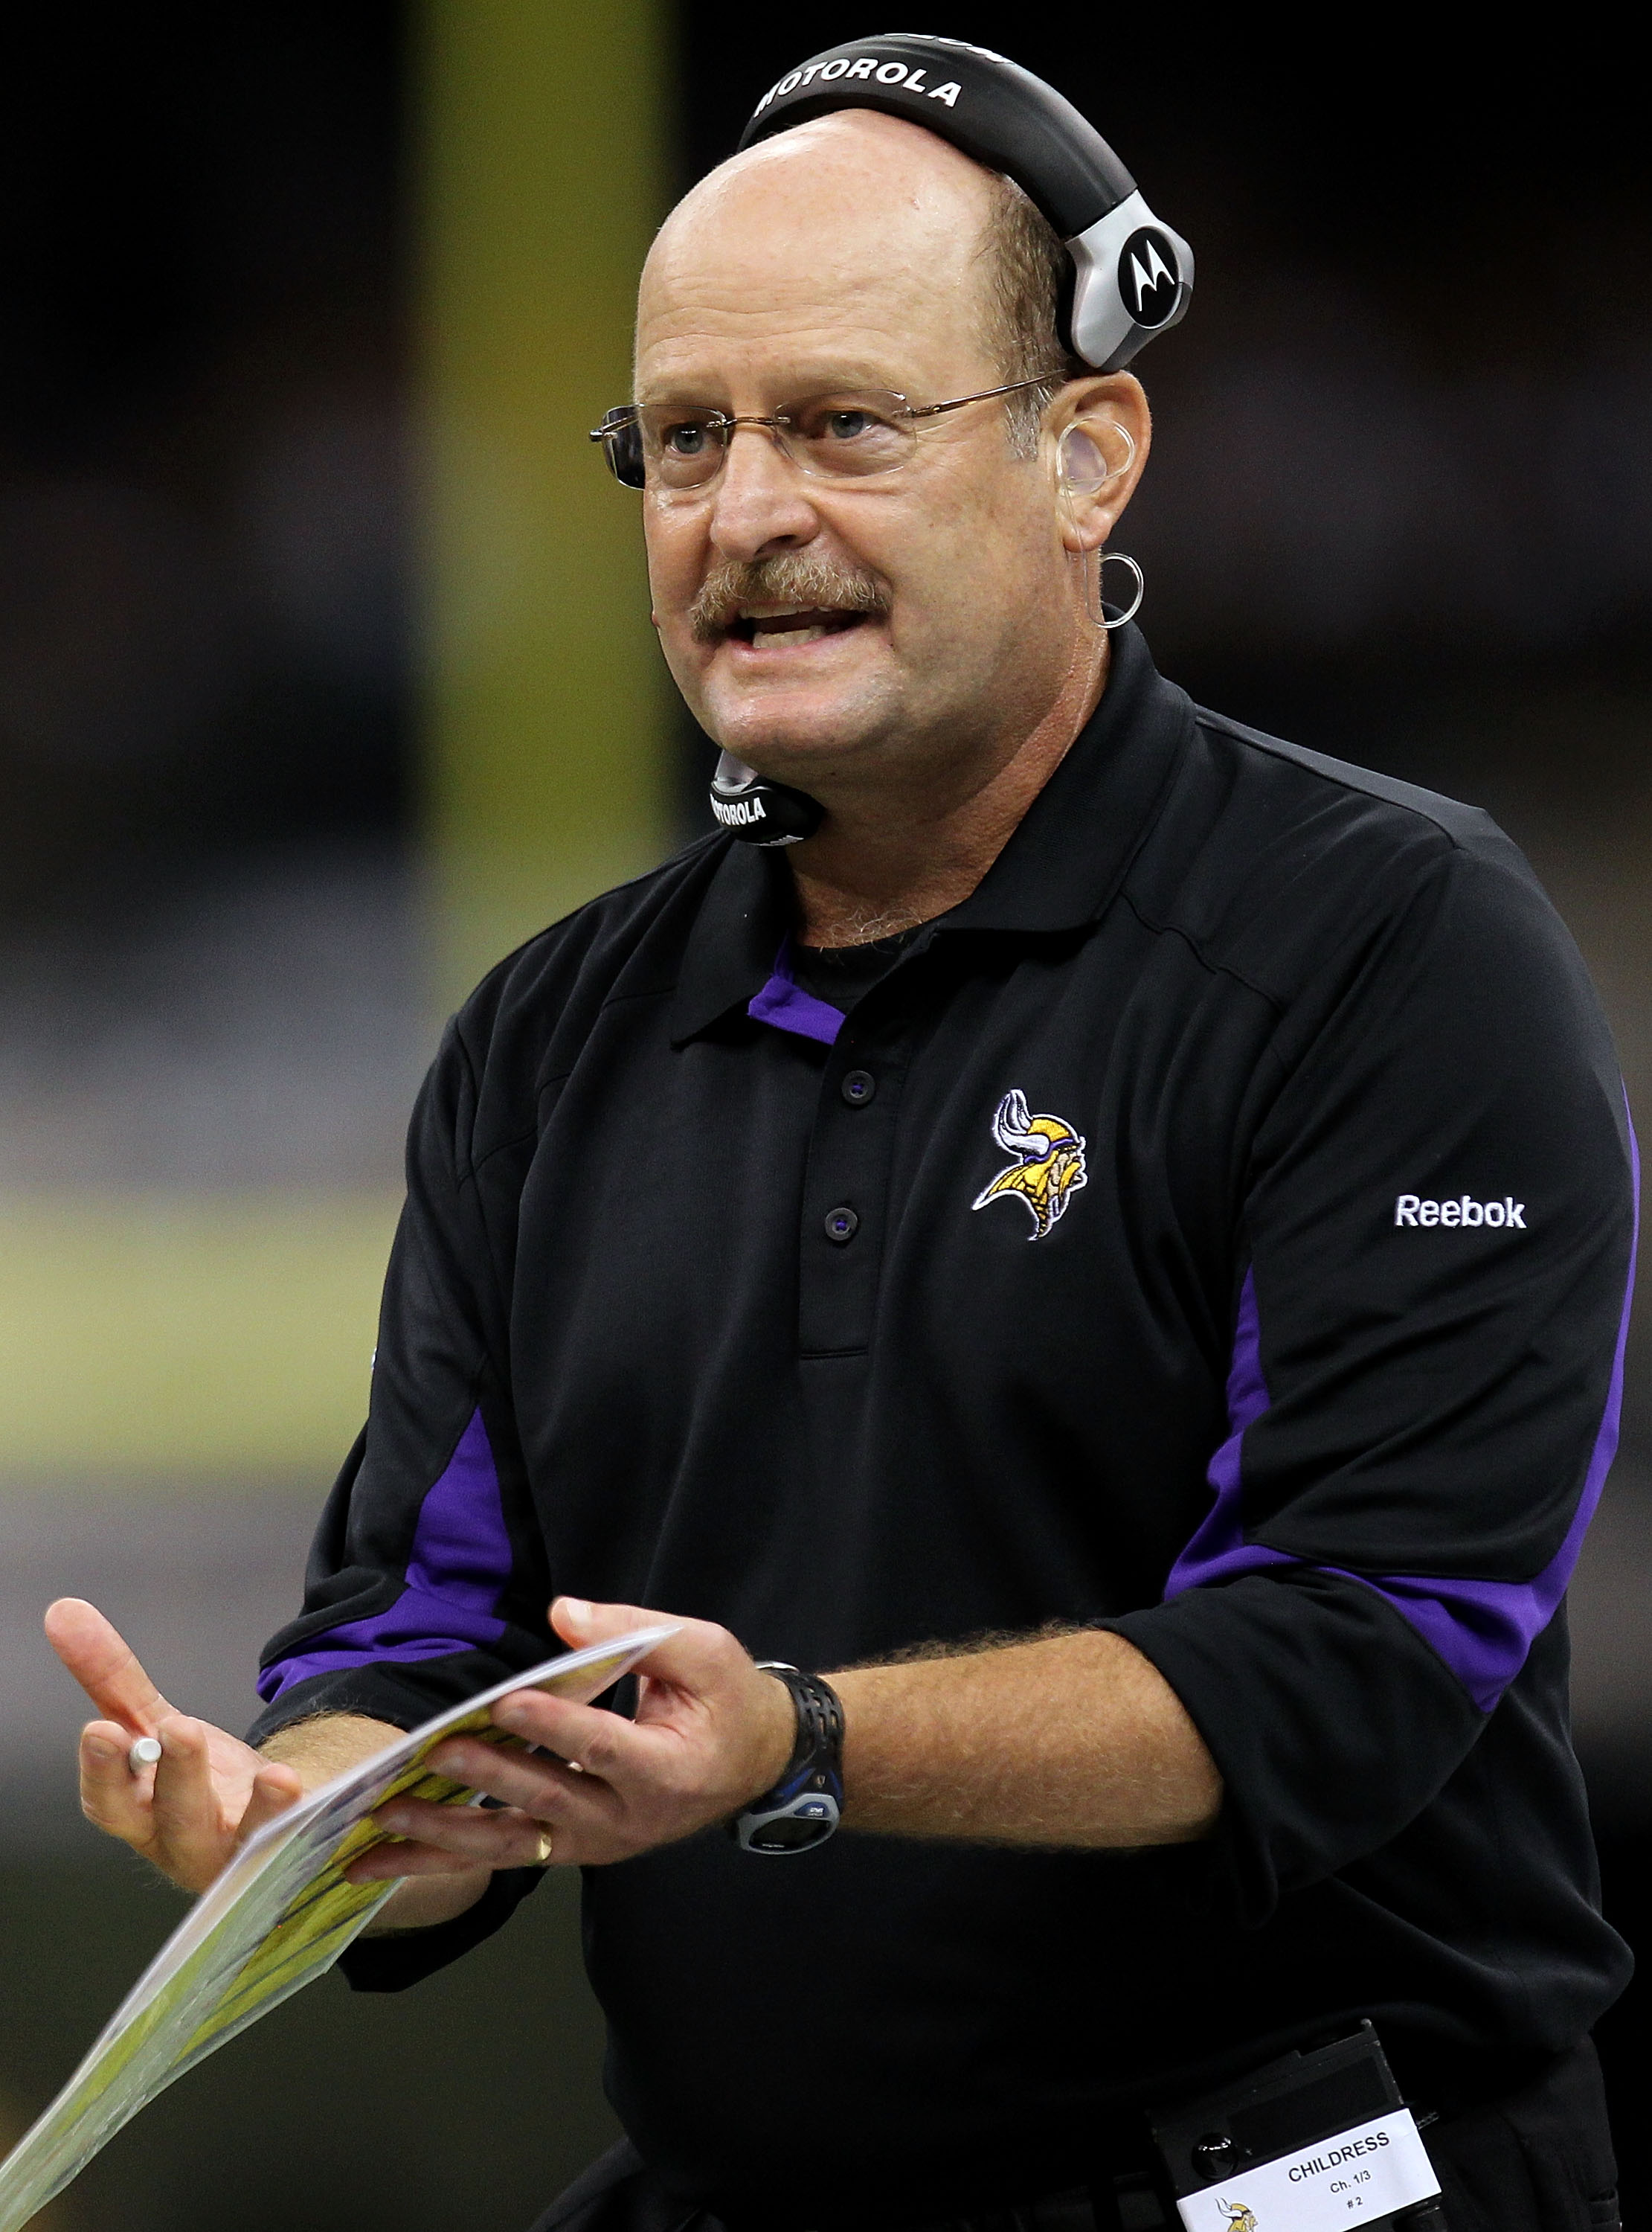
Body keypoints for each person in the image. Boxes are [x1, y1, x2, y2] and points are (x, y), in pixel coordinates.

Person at [47, 35, 1633, 2232]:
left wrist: (801, 1738)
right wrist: (294, 1830)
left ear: (1091, 453)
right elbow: (422, 1650)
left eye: (843, 427)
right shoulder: (553, 1037)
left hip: (1296, 2187)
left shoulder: (1383, 935)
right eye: (684, 439)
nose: (747, 513)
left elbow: (1372, 1646)